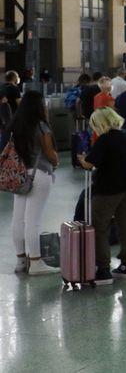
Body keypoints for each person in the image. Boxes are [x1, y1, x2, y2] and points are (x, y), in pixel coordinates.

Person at [75, 108, 126, 285]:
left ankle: (103, 270)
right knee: (125, 225)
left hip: (107, 191)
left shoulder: (105, 140)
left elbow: (89, 164)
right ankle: (125, 265)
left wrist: (81, 159)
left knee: (99, 227)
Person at [7, 91, 60, 276]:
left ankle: (21, 261)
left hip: (19, 174)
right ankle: (36, 262)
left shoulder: (15, 125)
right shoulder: (41, 126)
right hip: (39, 174)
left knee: (18, 218)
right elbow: (49, 152)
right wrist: (56, 161)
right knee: (33, 221)